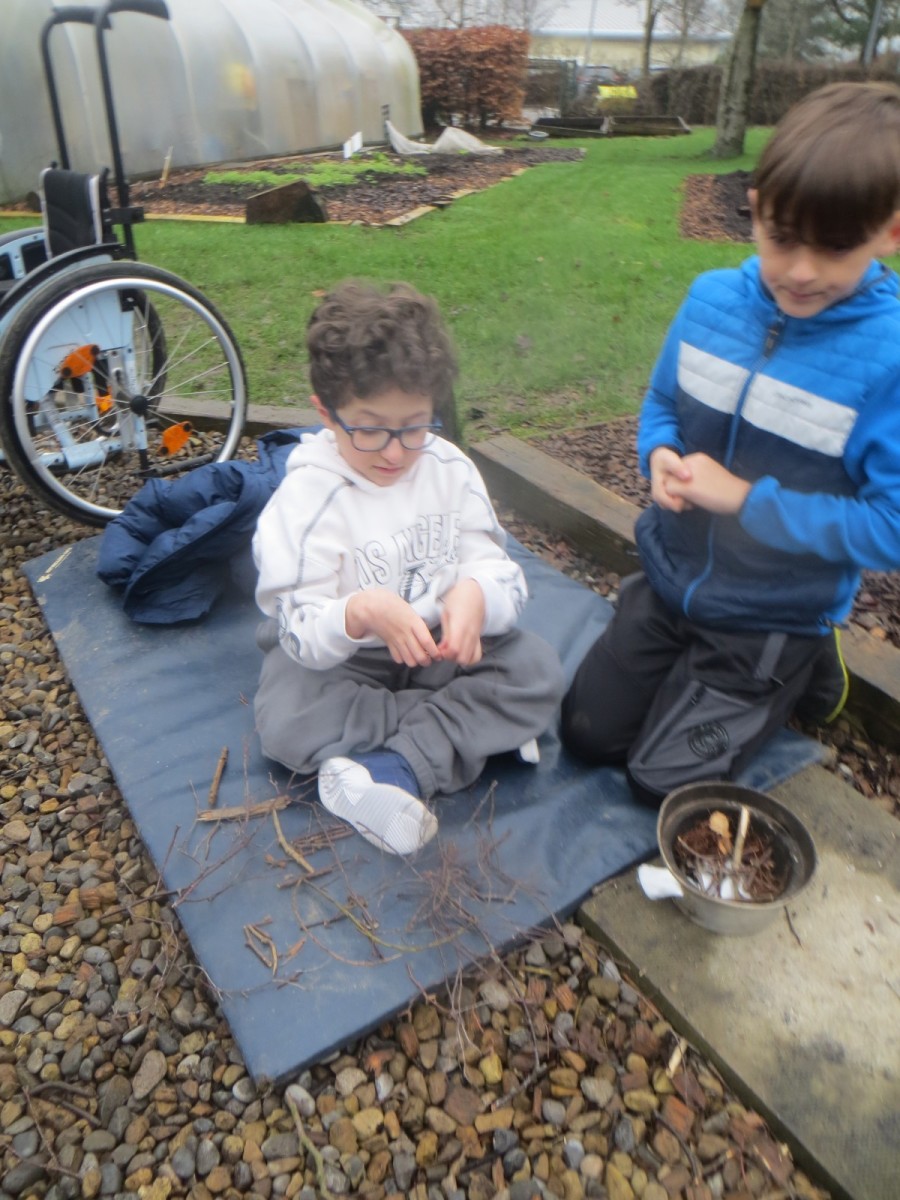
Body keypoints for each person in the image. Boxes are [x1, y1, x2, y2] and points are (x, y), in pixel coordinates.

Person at [561, 81, 900, 805]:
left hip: (772, 613)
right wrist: (658, 452)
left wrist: (746, 501)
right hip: (672, 578)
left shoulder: (889, 360)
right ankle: (681, 656)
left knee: (658, 783)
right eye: (783, 237)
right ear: (755, 209)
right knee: (586, 733)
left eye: (836, 247)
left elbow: (890, 527)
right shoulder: (710, 301)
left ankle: (806, 662)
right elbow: (662, 404)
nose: (801, 271)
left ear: (891, 233)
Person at [253, 280, 565, 853]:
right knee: (286, 717)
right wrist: (358, 612)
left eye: (415, 427)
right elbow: (298, 630)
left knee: (536, 669)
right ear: (326, 413)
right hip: (348, 664)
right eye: (370, 429)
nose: (395, 451)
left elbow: (500, 573)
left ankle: (388, 768)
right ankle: (454, 735)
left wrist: (475, 594)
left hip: (438, 651)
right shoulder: (307, 500)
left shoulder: (450, 470)